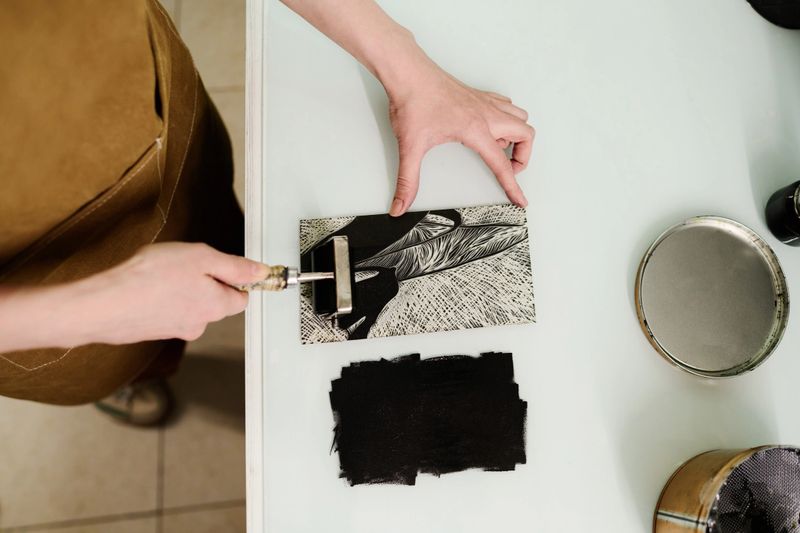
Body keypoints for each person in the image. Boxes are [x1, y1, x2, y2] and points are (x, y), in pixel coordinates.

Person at [0, 0, 534, 425]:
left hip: (139, 104)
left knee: (224, 223)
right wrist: (88, 310)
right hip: (38, 283)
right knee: (118, 357)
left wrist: (409, 68)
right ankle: (133, 374)